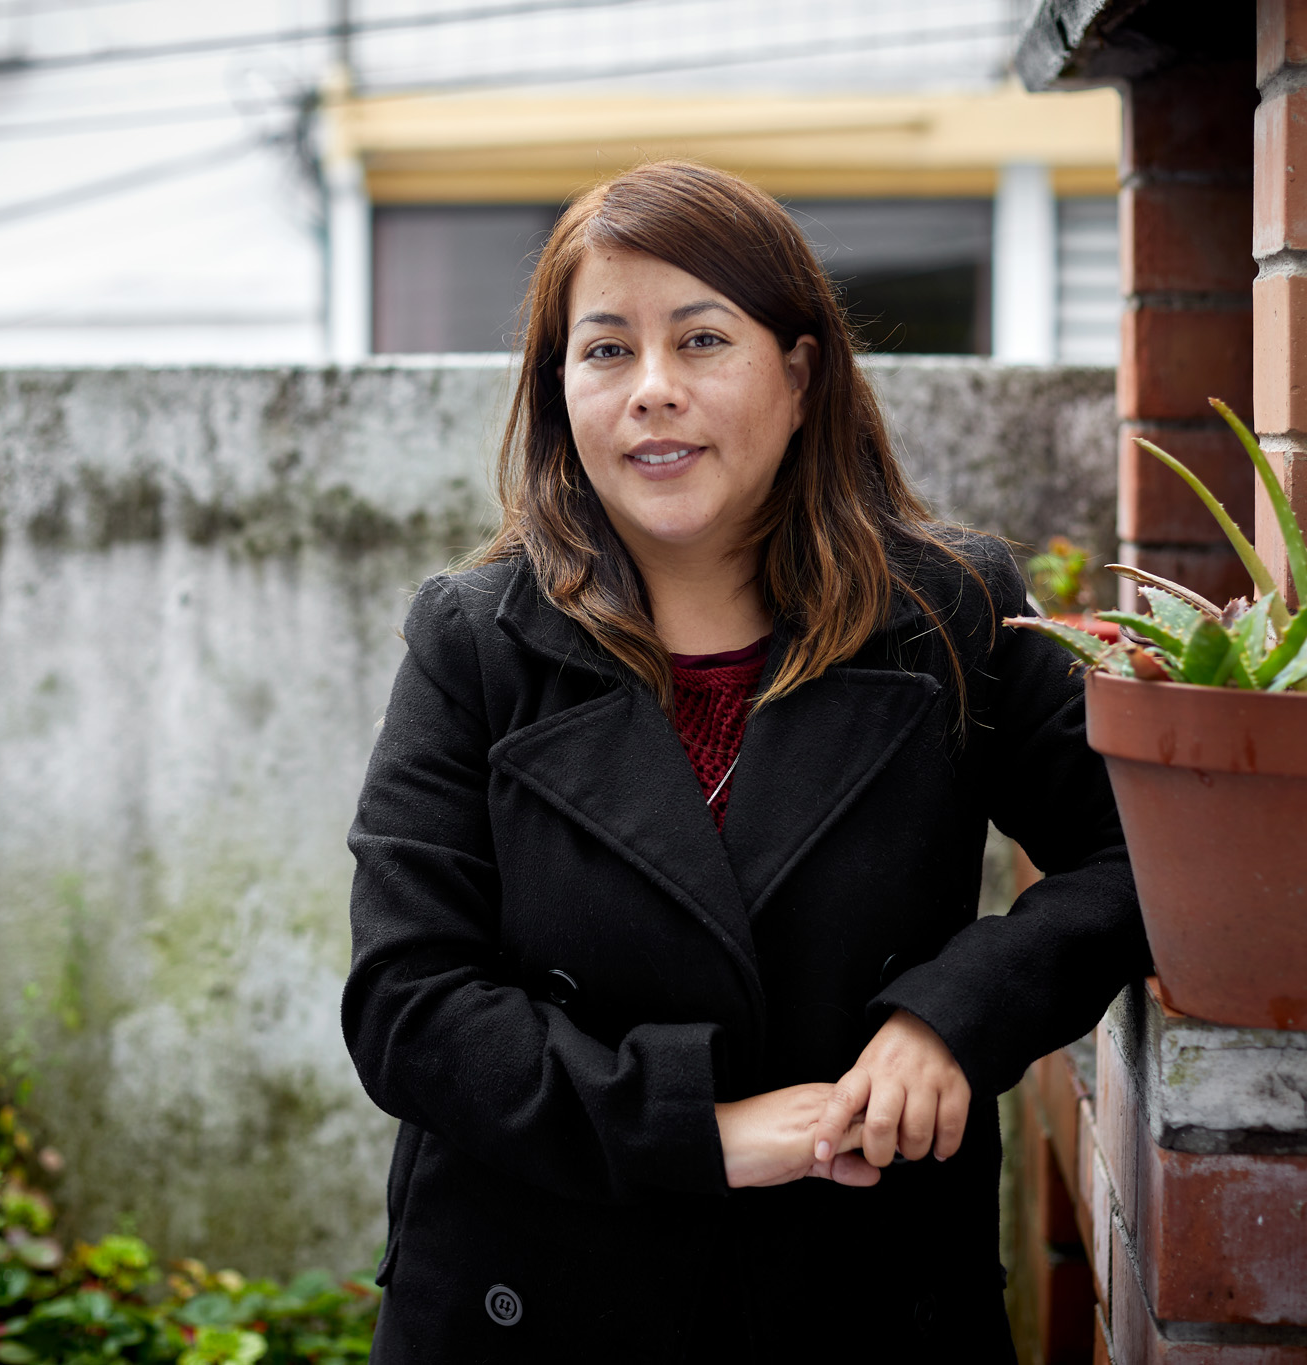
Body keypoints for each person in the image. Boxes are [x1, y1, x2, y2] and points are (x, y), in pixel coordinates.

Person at [342, 160, 1149, 1363]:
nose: (651, 392)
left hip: (861, 1284)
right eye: (605, 350)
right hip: (540, 1289)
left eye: (702, 340)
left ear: (799, 368)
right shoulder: (473, 641)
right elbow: (407, 1003)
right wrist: (697, 1131)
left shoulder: (948, 616)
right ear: (558, 389)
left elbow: (1139, 854)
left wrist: (948, 1018)